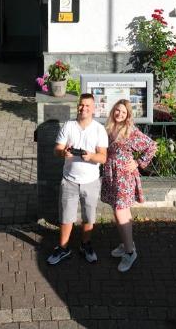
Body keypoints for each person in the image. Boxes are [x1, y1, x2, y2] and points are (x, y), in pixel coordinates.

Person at [48, 92, 108, 265]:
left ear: (93, 108)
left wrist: (91, 156)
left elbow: (103, 157)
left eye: (88, 105)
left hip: (91, 181)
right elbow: (56, 149)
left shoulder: (99, 129)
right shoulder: (68, 126)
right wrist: (63, 153)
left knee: (89, 217)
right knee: (66, 217)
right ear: (78, 106)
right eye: (81, 105)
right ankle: (63, 248)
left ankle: (85, 244)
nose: (84, 108)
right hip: (69, 180)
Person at [101, 98, 157, 272]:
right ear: (113, 111)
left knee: (120, 211)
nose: (119, 114)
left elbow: (151, 146)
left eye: (123, 112)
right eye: (117, 110)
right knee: (119, 211)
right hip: (112, 173)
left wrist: (138, 162)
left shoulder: (130, 131)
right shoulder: (109, 128)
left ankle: (131, 252)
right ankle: (127, 243)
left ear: (128, 116)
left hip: (124, 175)